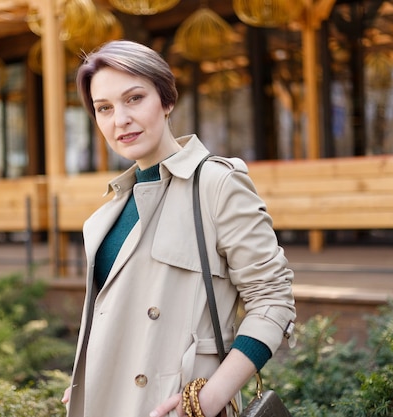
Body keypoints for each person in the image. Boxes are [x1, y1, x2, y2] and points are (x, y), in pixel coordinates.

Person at [61, 39, 296, 417]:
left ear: (166, 101)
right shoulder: (110, 209)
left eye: (134, 98)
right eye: (104, 108)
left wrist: (211, 397)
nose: (119, 119)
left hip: (177, 407)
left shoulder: (217, 184)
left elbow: (273, 301)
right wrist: (92, 381)